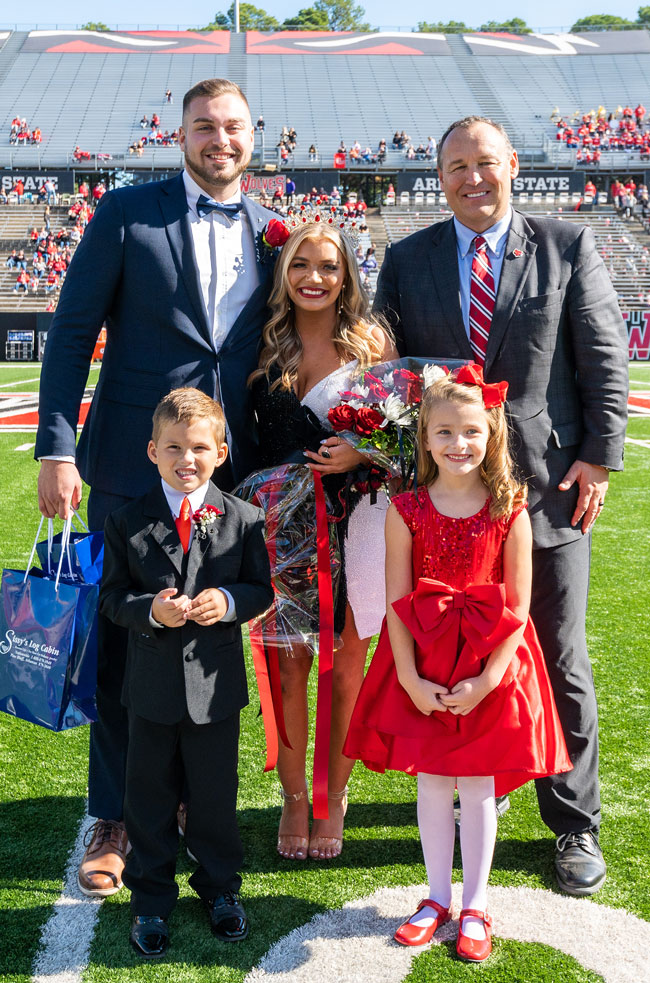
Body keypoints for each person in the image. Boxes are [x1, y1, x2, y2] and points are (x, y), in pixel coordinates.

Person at [373, 115, 629, 897]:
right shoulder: (408, 258)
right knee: (449, 651)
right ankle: (461, 787)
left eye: (486, 163)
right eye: (456, 166)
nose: (472, 178)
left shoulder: (566, 245)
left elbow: (604, 355)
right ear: (437, 174)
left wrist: (599, 456)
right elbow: (386, 376)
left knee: (558, 655)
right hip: (447, 503)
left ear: (513, 164)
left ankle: (573, 821)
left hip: (546, 491)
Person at [35, 77, 278, 899]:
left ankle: (184, 808)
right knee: (121, 644)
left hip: (225, 475)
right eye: (204, 125)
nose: (220, 139)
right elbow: (71, 333)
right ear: (178, 135)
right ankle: (113, 815)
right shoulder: (126, 213)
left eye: (233, 126)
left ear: (254, 135)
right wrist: (56, 450)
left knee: (206, 640)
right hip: (127, 467)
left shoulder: (270, 233)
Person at [345, 367, 571, 962]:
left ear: (491, 434)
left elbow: (519, 607)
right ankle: (436, 897)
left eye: (471, 432)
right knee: (431, 783)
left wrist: (488, 680)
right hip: (423, 661)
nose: (458, 444)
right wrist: (411, 679)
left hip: (488, 666)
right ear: (424, 437)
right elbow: (396, 603)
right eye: (444, 432)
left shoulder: (510, 508)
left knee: (476, 788)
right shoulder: (406, 509)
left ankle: (476, 902)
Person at [100, 388, 272, 957]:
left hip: (215, 693)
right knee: (147, 801)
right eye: (173, 447)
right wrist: (150, 610)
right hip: (150, 693)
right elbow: (112, 598)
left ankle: (220, 890)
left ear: (221, 451)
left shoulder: (244, 518)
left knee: (215, 798)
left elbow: (259, 590)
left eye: (199, 447)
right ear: (152, 450)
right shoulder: (127, 520)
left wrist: (225, 599)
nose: (186, 459)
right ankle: (150, 901)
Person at [248, 221, 397, 860]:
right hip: (281, 525)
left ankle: (332, 797)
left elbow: (404, 441)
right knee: (288, 666)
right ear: (283, 273)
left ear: (347, 274)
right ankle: (291, 796)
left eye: (328, 265)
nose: (314, 277)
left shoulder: (374, 343)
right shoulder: (260, 343)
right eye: (300, 264)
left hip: (361, 519)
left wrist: (359, 451)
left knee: (348, 669)